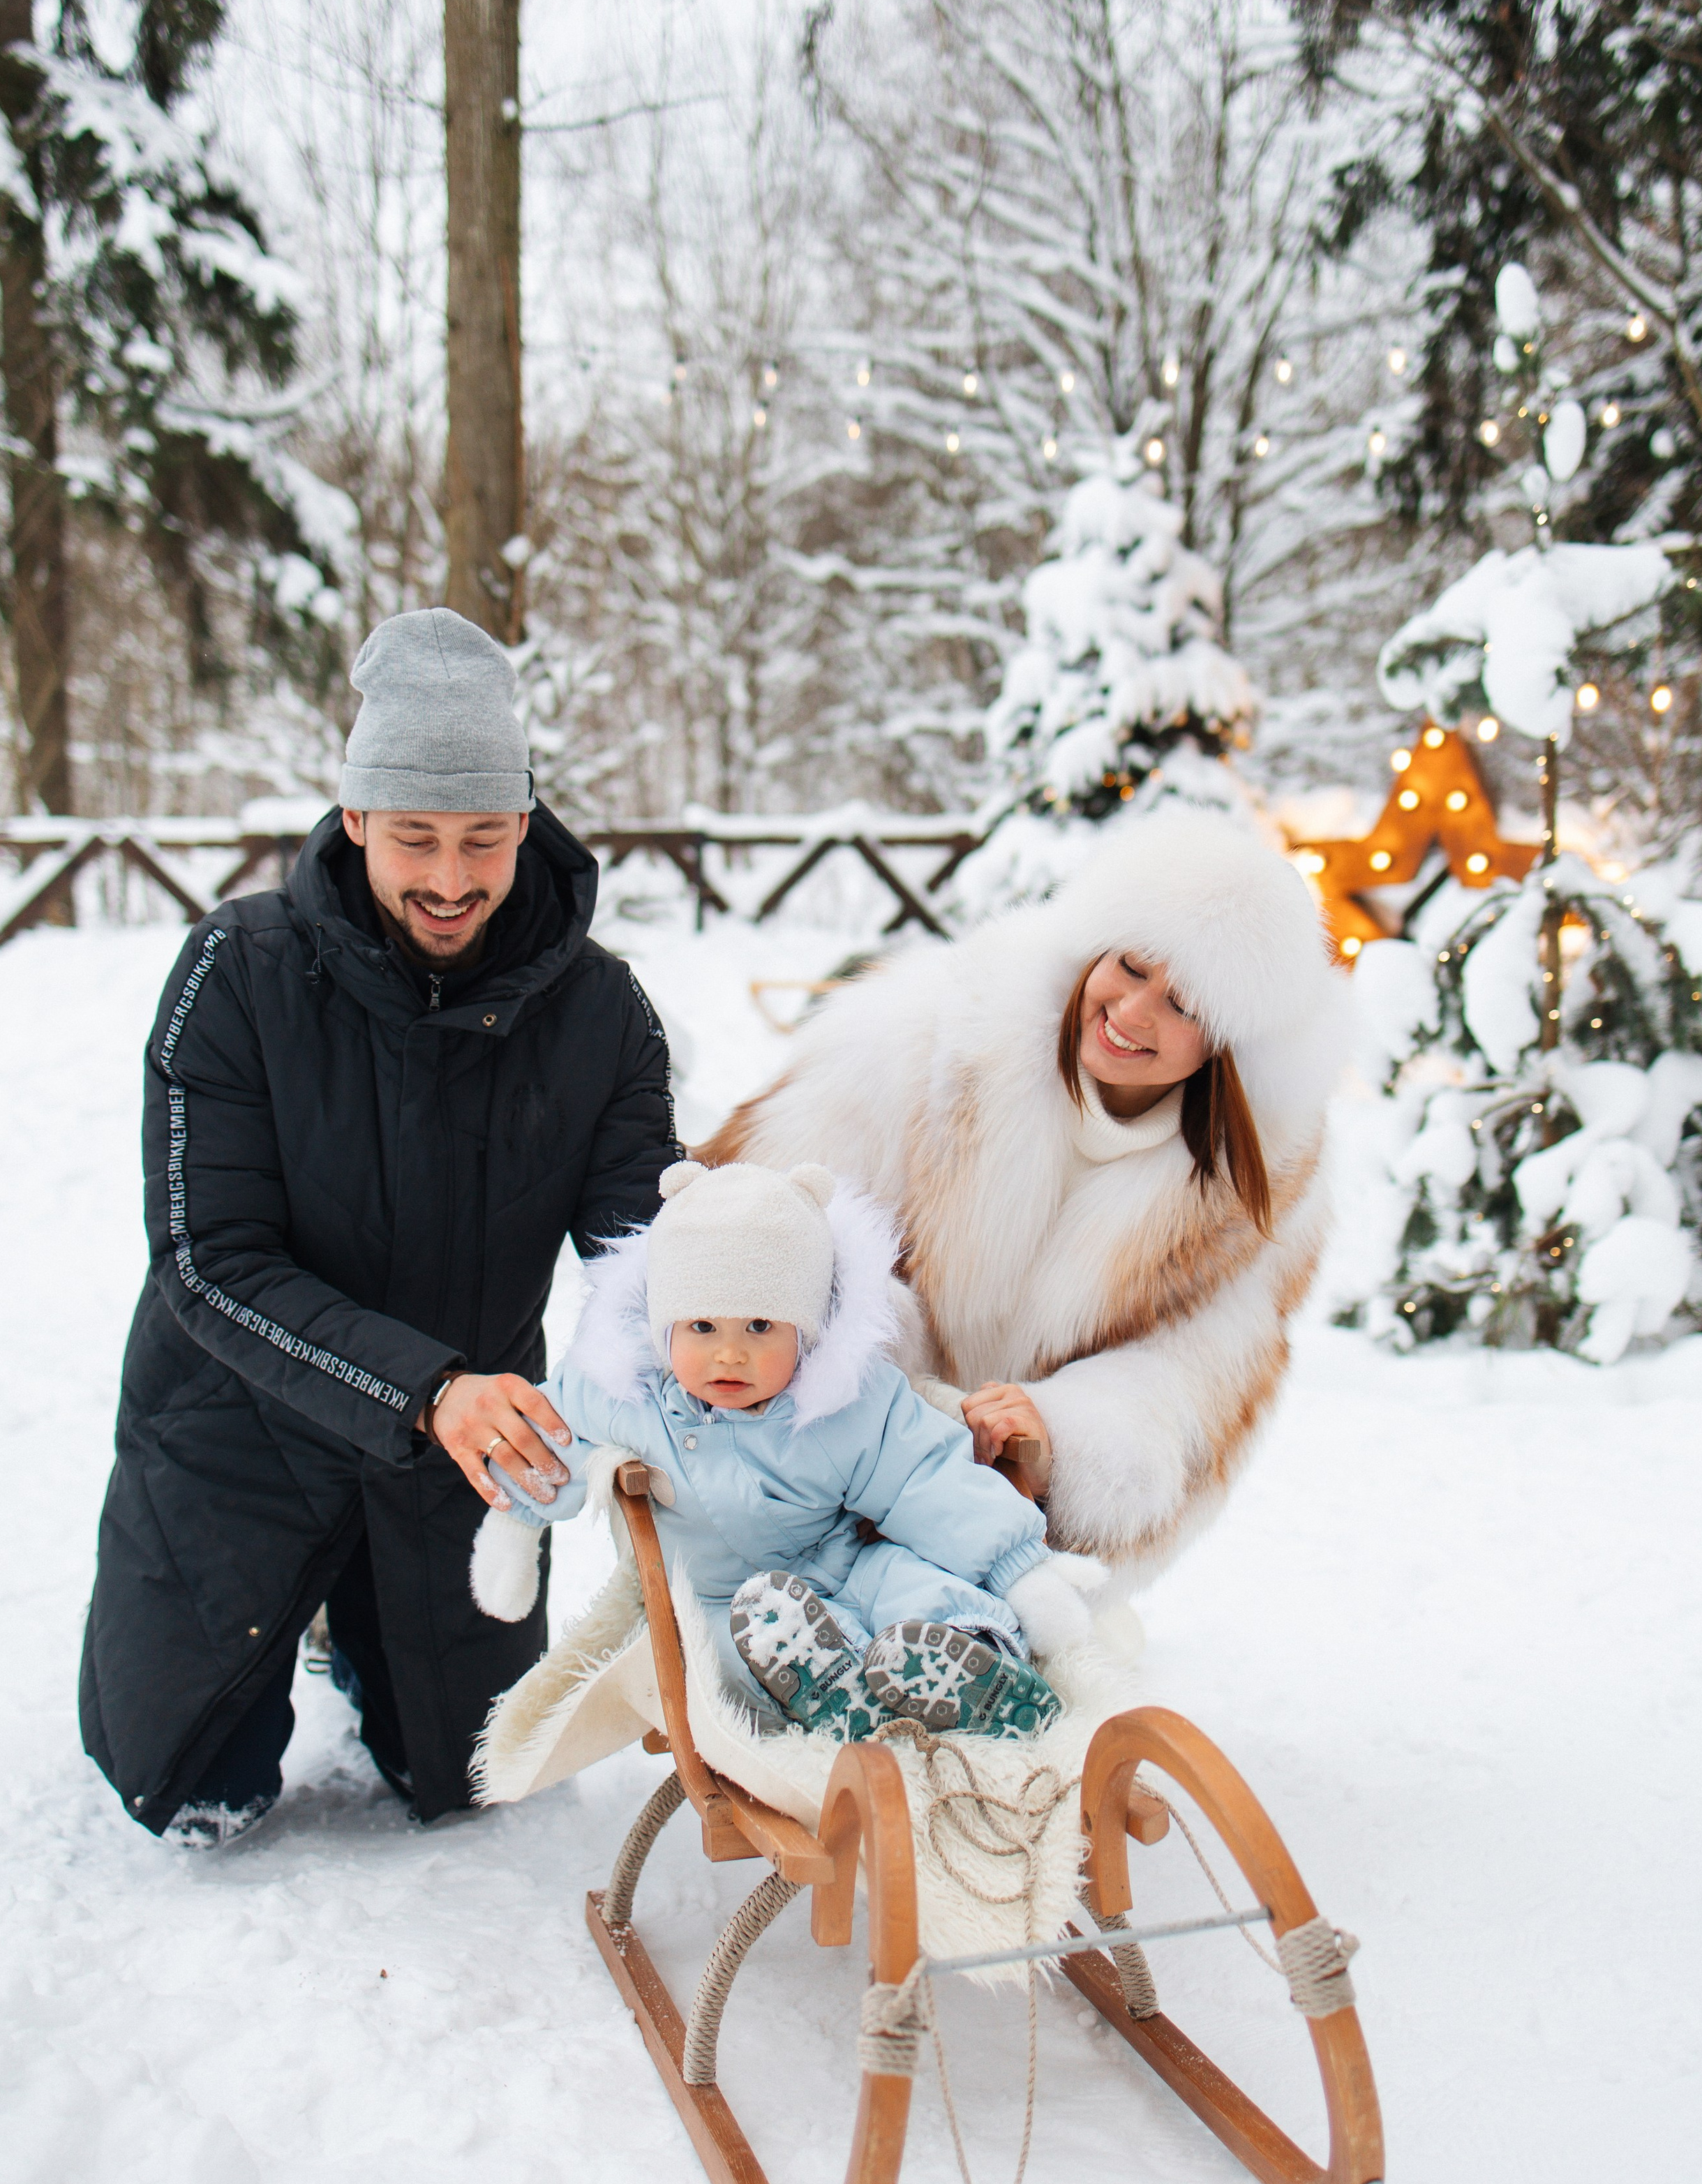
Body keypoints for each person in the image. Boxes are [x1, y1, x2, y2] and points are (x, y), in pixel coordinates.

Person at [81, 608, 679, 1844]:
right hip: (238, 1432)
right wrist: (426, 1390)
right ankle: (296, 1625)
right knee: (187, 1785)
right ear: (355, 818)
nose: (450, 880)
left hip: (460, 1467)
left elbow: (646, 1262)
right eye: (415, 838)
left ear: (527, 820)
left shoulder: (604, 1012)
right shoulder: (234, 973)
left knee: (467, 1781)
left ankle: (361, 1633)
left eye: (483, 838)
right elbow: (208, 1262)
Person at [700, 807, 1348, 1579]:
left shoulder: (1254, 1190)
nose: (1131, 1013)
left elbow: (1191, 1383)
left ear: (1226, 1045)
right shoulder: (934, 1033)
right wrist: (888, 1375)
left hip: (1017, 1526)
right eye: (1130, 966)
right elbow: (753, 1222)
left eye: (1183, 1005)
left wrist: (1057, 1435)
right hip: (820, 1471)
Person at [471, 1158, 1100, 1739]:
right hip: (727, 1602)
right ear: (663, 1326)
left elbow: (926, 1479)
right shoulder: (625, 1397)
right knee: (740, 1646)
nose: (729, 1353)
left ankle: (976, 1663)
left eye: (760, 1326)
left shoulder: (846, 1403)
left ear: (807, 1330)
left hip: (843, 1566)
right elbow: (546, 1441)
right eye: (702, 1326)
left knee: (910, 1582)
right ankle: (838, 1688)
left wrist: (1018, 1568)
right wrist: (516, 1526)